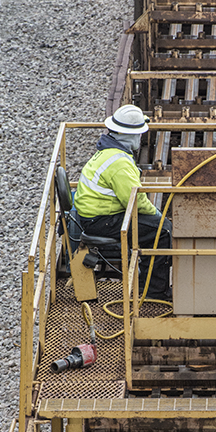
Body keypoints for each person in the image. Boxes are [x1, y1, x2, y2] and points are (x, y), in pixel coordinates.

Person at [74, 104, 172, 301]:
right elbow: (136, 201)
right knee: (163, 231)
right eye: (139, 134)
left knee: (155, 227)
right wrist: (159, 217)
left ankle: (149, 282)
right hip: (102, 221)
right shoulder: (119, 162)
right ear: (130, 135)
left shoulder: (107, 152)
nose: (140, 138)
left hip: (91, 217)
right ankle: (154, 292)